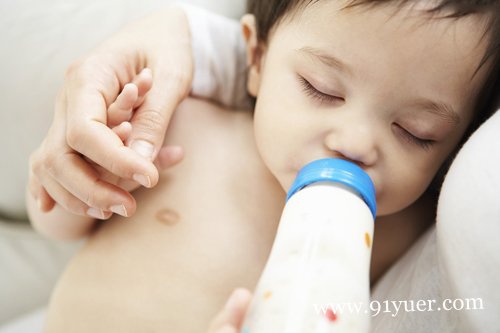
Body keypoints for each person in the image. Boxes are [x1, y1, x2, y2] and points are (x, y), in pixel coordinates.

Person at [27, 0, 500, 332]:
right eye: (322, 89)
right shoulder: (181, 128)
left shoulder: (403, 234)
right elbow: (57, 225)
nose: (355, 143)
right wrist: (84, 177)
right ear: (256, 56)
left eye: (416, 132)